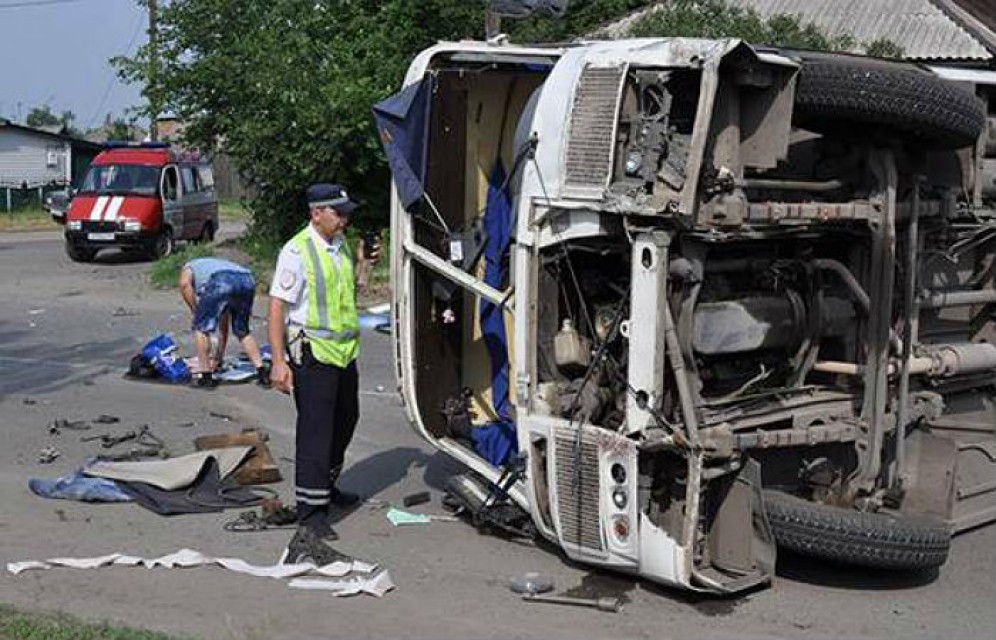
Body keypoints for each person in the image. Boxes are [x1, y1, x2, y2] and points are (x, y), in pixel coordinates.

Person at [267, 183, 379, 561]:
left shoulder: (341, 246)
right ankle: (310, 513)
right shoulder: (297, 250)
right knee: (316, 432)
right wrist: (279, 362)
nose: (344, 219)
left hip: (344, 353)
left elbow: (350, 293)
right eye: (338, 213)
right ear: (317, 213)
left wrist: (365, 264)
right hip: (312, 353)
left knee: (346, 420)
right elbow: (277, 308)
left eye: (346, 213)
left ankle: (326, 488)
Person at [179, 256, 270, 388]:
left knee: (201, 328)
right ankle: (262, 373)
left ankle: (206, 377)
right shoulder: (211, 267)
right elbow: (224, 327)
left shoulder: (189, 266)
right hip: (247, 280)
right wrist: (218, 358)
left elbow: (184, 284)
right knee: (242, 330)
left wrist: (195, 310)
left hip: (221, 280)